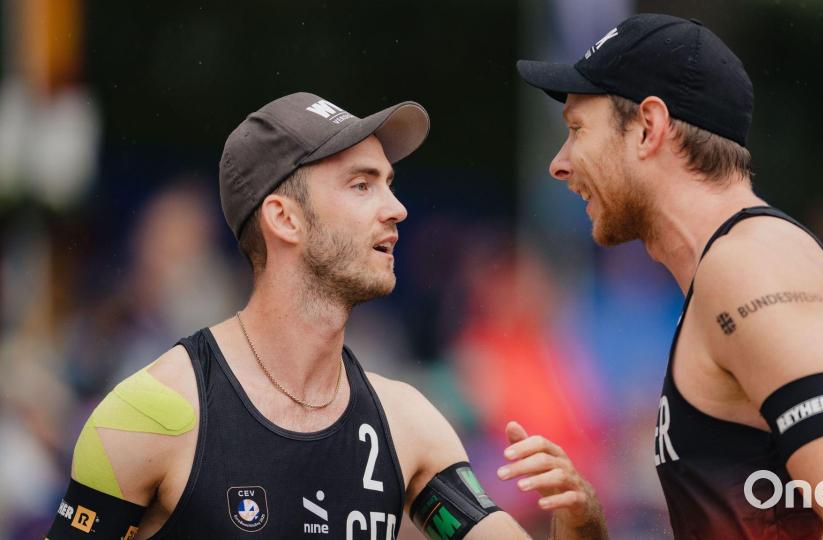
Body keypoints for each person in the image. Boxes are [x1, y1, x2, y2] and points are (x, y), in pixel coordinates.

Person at [45, 93, 607, 539]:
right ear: (284, 218)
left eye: (389, 184)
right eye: (362, 185)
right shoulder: (153, 415)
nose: (396, 208)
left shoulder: (405, 423)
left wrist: (582, 524)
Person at [516, 13, 823, 540]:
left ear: (648, 127)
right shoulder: (736, 269)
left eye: (575, 131)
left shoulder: (749, 270)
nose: (559, 163)